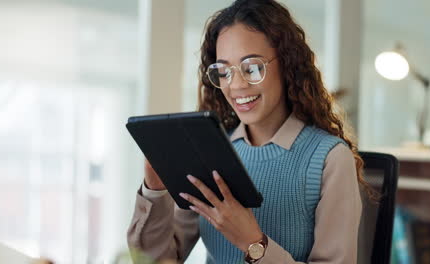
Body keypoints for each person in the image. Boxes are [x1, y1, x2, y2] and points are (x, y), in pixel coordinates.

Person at [127, 0, 370, 263]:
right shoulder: (212, 151)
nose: (237, 85)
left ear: (287, 64)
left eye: (252, 68)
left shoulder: (330, 159)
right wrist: (155, 189)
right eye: (223, 71)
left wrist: (253, 243)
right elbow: (153, 260)